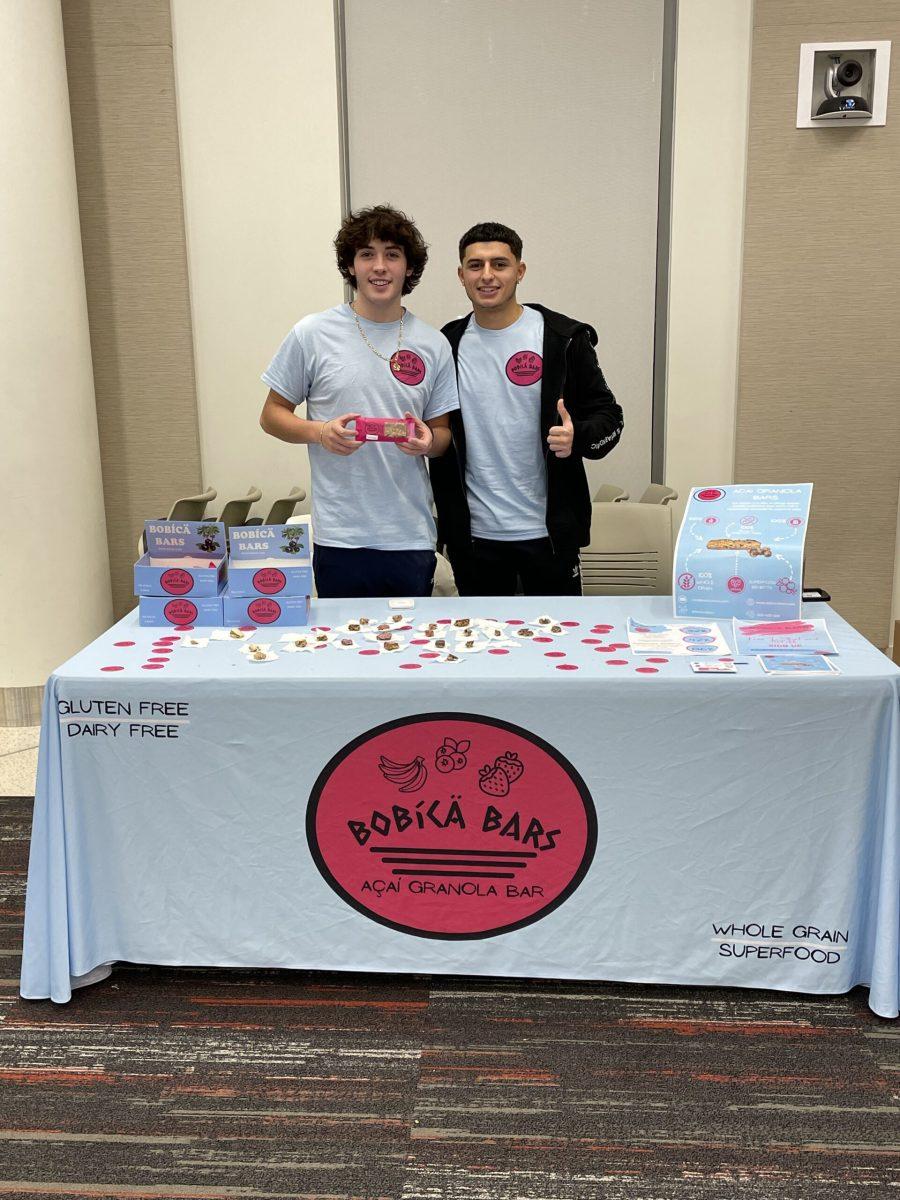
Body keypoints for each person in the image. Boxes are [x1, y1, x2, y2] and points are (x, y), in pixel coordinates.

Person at [259, 205, 459, 598]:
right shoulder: (312, 333)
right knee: (345, 653)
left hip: (410, 535)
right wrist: (319, 432)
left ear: (409, 268)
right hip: (340, 536)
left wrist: (426, 442)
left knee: (409, 652)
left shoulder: (433, 344)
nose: (379, 266)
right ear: (351, 266)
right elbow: (271, 415)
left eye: (392, 254)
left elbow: (443, 436)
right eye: (367, 254)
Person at [430, 221, 624, 597]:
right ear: (461, 275)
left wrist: (577, 436)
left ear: (519, 271)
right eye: (475, 265)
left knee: (560, 644)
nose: (487, 275)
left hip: (549, 536)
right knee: (480, 647)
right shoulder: (445, 345)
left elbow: (610, 417)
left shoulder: (562, 338)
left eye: (499, 264)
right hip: (474, 537)